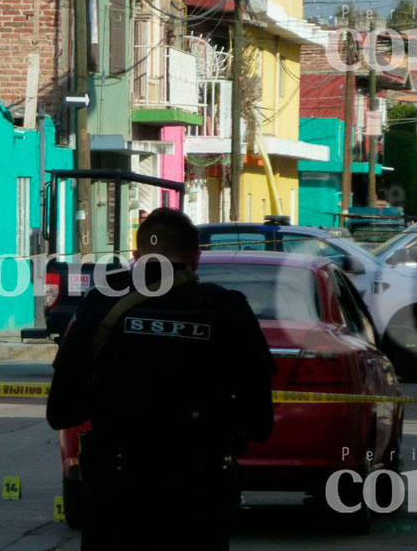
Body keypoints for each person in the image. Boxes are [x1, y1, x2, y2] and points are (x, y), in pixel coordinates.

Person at [46, 208, 276, 551]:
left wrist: (115, 399)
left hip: (116, 498)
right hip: (197, 500)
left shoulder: (101, 305)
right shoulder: (228, 309)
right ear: (196, 258)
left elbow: (61, 411)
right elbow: (260, 424)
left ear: (136, 258)